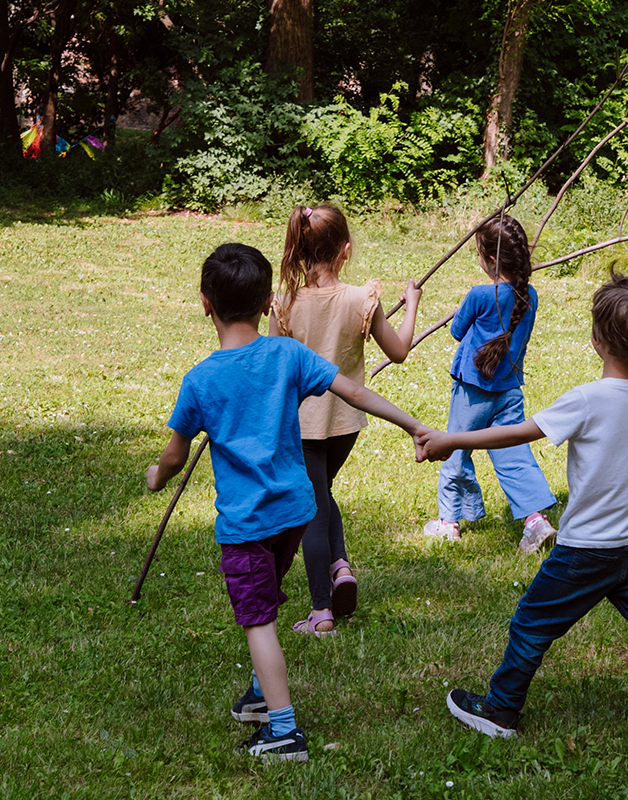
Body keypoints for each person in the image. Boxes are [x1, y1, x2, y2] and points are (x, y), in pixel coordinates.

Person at [417, 273, 628, 764]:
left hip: (586, 551)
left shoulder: (586, 399)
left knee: (532, 622)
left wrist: (452, 439)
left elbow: (518, 433)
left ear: (597, 340)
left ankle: (500, 711)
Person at [147, 243, 431, 762]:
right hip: (295, 513)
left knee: (258, 621)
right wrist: (414, 425)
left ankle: (282, 730)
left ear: (205, 303)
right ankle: (260, 695)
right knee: (267, 596)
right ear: (266, 304)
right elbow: (354, 393)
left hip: (248, 524)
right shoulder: (289, 355)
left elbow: (173, 455)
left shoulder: (201, 380)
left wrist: (155, 478)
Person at [268, 205, 422, 636]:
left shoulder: (285, 303)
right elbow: (399, 351)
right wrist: (411, 305)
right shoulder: (361, 300)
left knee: (313, 507)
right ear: (345, 250)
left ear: (299, 248)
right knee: (321, 493)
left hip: (300, 426)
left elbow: (272, 366)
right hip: (345, 423)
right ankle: (339, 566)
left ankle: (321, 612)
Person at [423, 213, 558, 550]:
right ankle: (535, 521)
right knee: (514, 454)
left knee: (455, 448)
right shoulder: (531, 296)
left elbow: (457, 331)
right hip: (509, 390)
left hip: (472, 392)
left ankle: (449, 522)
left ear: (492, 261)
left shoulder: (480, 295)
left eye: (480, 255)